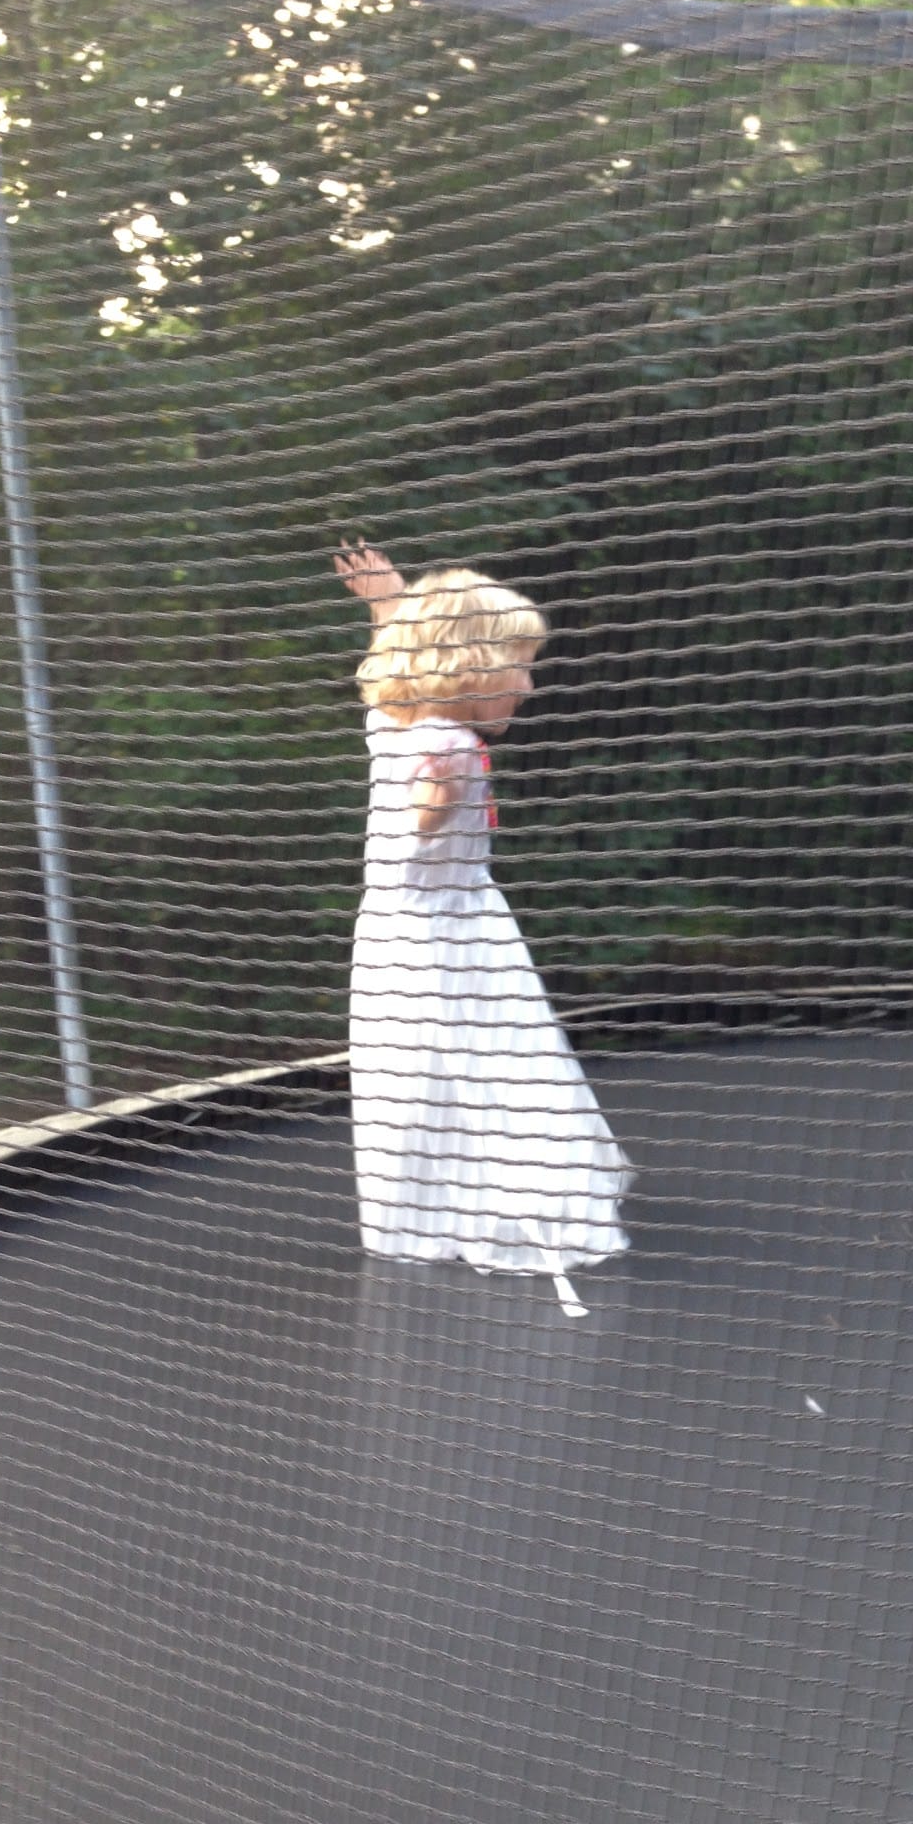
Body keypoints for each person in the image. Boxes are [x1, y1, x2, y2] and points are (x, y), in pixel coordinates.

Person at [334, 541, 630, 1315]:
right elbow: (415, 833)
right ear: (469, 667)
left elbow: (392, 686)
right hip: (448, 942)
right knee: (494, 1072)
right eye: (519, 667)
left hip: (404, 937)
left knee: (423, 1078)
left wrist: (387, 608)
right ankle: (515, 1209)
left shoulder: (398, 726)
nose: (528, 686)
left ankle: (428, 1212)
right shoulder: (449, 747)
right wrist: (427, 817)